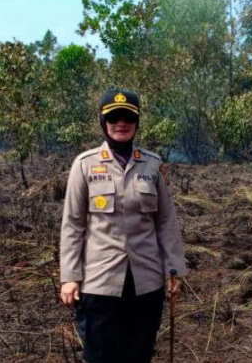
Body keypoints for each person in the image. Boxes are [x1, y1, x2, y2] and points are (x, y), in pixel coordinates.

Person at [60, 88, 186, 363]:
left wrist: (173, 269)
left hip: (146, 281)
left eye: (128, 117)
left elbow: (166, 221)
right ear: (103, 122)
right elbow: (73, 224)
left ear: (137, 122)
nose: (121, 123)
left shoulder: (152, 165)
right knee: (99, 356)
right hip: (99, 282)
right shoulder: (84, 165)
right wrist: (70, 276)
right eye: (114, 117)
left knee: (139, 354)